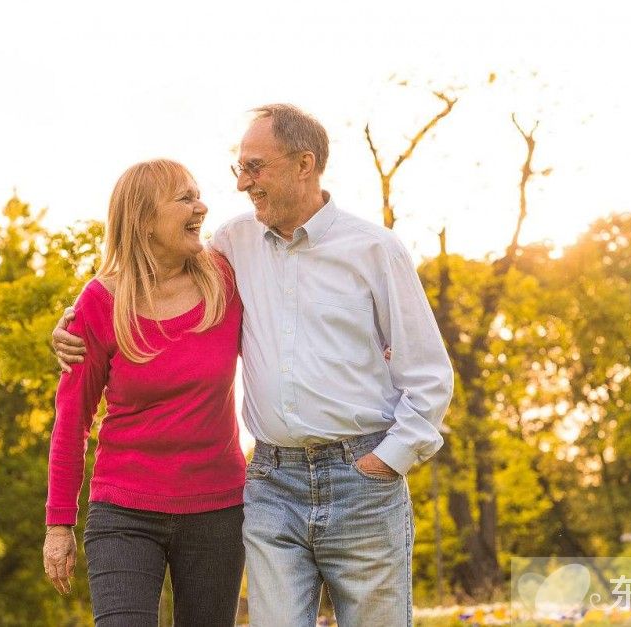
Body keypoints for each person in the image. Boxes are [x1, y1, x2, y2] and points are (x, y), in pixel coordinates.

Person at [54, 105, 454, 626]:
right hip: (271, 482)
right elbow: (138, 282)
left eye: (255, 167)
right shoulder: (233, 244)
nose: (242, 184)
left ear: (303, 164)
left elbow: (427, 372)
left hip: (358, 479)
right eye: (238, 169)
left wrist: (388, 459)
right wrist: (73, 323)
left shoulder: (371, 250)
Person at [43, 159, 246, 627]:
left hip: (217, 509)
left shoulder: (226, 280)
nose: (202, 206)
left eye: (198, 194)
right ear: (143, 219)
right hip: (124, 511)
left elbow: (293, 316)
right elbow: (71, 423)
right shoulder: (99, 302)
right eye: (185, 198)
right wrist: (59, 524)